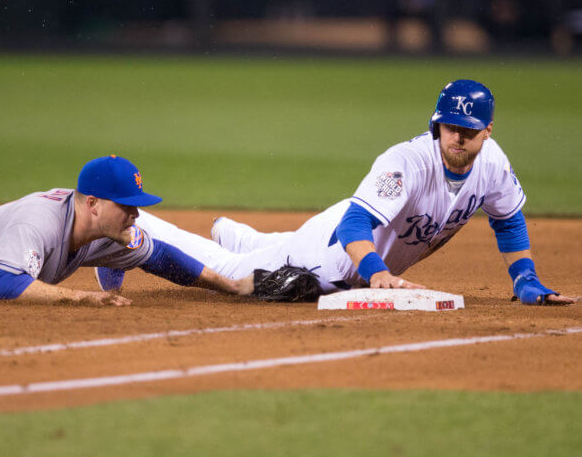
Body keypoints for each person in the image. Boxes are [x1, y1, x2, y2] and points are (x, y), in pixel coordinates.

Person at [110, 80, 575, 305]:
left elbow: (508, 217)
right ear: (437, 124)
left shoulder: (492, 163)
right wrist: (376, 274)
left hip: (342, 233)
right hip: (334, 255)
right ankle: (136, 225)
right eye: (448, 127)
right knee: (236, 273)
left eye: (467, 131)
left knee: (279, 245)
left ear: (487, 132)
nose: (455, 138)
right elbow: (355, 224)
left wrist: (525, 278)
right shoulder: (406, 163)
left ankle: (240, 234)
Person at [0, 155, 253, 306]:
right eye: (125, 205)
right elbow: (1, 282)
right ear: (93, 203)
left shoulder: (102, 231)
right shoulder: (39, 220)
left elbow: (161, 257)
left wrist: (231, 285)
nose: (135, 214)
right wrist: (83, 298)